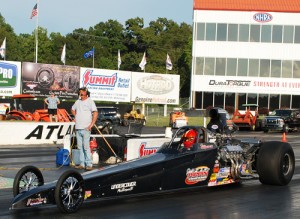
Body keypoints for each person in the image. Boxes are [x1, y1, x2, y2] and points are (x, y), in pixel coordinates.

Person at [71, 87, 98, 171]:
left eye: (82, 93)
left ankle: (89, 164)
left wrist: (92, 124)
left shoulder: (90, 101)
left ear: (86, 93)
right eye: (80, 93)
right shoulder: (77, 101)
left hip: (86, 128)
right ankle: (82, 164)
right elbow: (72, 109)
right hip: (78, 128)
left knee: (86, 146)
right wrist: (76, 116)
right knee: (80, 147)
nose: (81, 94)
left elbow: (95, 112)